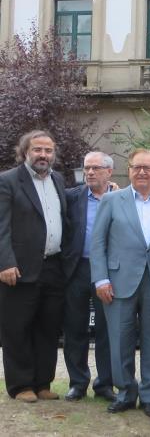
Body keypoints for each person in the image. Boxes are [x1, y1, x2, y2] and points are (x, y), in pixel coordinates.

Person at [91, 148, 150, 417]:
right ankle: (125, 392)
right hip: (117, 281)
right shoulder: (111, 200)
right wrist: (101, 278)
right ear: (128, 170)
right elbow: (98, 242)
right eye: (136, 167)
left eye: (148, 167)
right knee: (120, 339)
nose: (142, 172)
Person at [0, 130, 70, 403]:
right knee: (17, 329)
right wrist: (5, 262)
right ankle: (20, 386)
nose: (43, 155)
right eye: (37, 149)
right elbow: (1, 226)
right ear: (25, 152)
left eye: (48, 150)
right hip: (17, 270)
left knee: (48, 329)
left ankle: (42, 383)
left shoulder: (58, 180)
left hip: (53, 267)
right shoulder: (7, 181)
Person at [63, 151, 116, 403]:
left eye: (96, 168)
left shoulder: (120, 198)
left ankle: (105, 383)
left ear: (109, 172)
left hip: (108, 271)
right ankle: (77, 383)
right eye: (87, 168)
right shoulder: (71, 197)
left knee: (107, 330)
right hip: (77, 269)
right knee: (75, 327)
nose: (90, 172)